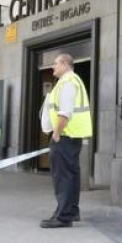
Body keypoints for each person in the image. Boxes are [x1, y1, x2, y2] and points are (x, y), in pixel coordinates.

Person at [40, 53, 93, 228]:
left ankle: (63, 217)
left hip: (65, 135)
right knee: (71, 175)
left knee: (62, 177)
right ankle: (70, 211)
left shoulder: (68, 82)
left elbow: (65, 112)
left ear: (64, 64)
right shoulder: (72, 81)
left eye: (55, 64)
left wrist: (56, 134)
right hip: (70, 136)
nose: (52, 67)